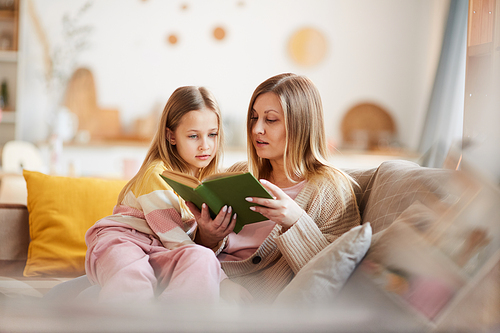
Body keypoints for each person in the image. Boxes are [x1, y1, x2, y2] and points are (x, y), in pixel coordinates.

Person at [187, 73, 361, 303]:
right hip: (203, 281)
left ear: (301, 125)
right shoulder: (238, 173)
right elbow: (195, 248)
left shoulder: (331, 191)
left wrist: (295, 221)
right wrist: (207, 236)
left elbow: (334, 277)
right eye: (254, 117)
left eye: (270, 120)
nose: (257, 129)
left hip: (250, 304)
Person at [84, 86, 242, 304]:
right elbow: (175, 239)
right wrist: (223, 282)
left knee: (203, 258)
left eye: (212, 134)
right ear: (171, 136)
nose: (205, 145)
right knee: (133, 277)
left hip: (160, 249)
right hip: (124, 240)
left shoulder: (202, 183)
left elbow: (182, 244)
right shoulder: (157, 174)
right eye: (193, 136)